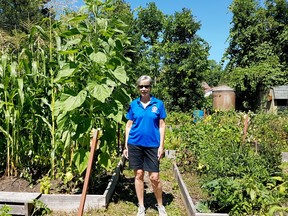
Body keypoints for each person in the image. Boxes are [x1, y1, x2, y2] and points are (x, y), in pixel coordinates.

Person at [124, 75, 167, 216]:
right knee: (139, 174)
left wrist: (161, 146)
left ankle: (160, 205)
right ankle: (141, 206)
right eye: (141, 86)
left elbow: (162, 125)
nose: (144, 89)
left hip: (152, 145)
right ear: (138, 88)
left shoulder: (158, 104)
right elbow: (129, 125)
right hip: (135, 143)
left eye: (146, 86)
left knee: (154, 177)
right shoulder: (133, 104)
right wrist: (126, 146)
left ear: (150, 87)